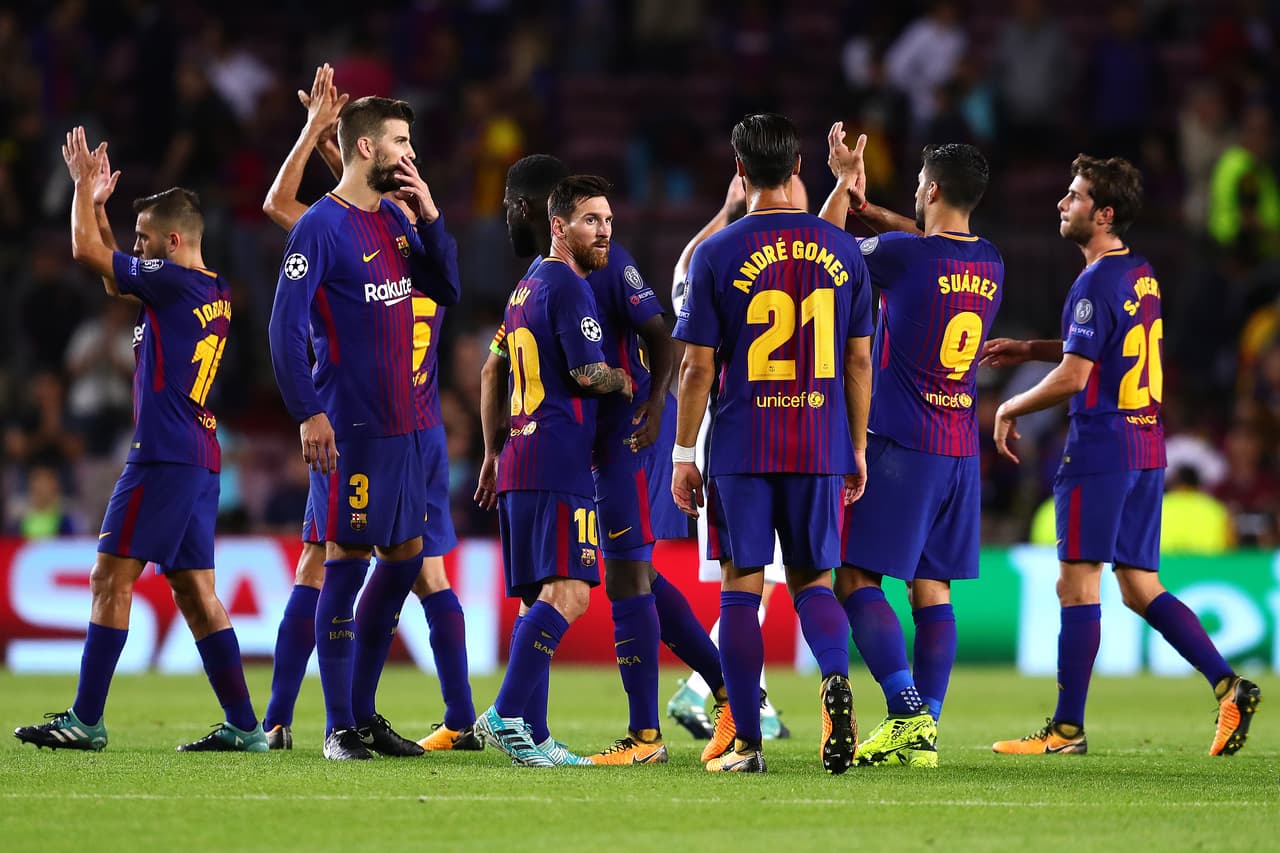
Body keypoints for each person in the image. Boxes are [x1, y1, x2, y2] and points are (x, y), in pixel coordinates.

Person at [983, 154, 1262, 756]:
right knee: (1138, 585)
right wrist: (1033, 346)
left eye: (1076, 195)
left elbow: (1076, 375)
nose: (1063, 202)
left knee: (1076, 586)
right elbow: (1103, 343)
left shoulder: (1092, 281)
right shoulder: (1139, 273)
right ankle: (1229, 687)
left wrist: (1009, 408)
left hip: (1101, 447)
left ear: (1104, 214)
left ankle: (1065, 730)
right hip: (1145, 445)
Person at [14, 128, 266, 753]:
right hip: (197, 453)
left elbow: (84, 254)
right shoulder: (210, 289)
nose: (138, 249)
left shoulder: (174, 285)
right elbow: (111, 278)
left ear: (173, 242)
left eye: (146, 240)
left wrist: (78, 187)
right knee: (194, 590)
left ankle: (86, 719)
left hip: (162, 453)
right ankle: (245, 725)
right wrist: (100, 205)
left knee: (108, 577)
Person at [259, 65, 479, 754]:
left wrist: (432, 208)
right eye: (400, 143)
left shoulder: (391, 218)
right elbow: (282, 328)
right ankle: (337, 726)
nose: (410, 154)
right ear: (364, 149)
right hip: (350, 429)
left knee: (407, 558)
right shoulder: (320, 229)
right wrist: (308, 412)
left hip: (410, 430)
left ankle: (363, 710)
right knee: (342, 563)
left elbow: (445, 285)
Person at [671, 113, 874, 774]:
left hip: (742, 444)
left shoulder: (717, 252)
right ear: (798, 170)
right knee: (817, 581)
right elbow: (858, 362)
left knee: (741, 585)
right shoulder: (842, 249)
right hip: (819, 442)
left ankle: (745, 741)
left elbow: (696, 368)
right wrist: (858, 445)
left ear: (738, 172)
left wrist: (682, 454)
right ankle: (835, 681)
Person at [820, 126, 1002, 768]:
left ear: (929, 189)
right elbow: (921, 242)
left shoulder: (904, 258)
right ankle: (924, 733)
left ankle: (905, 711)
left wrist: (844, 184)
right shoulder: (989, 260)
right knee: (933, 590)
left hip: (903, 444)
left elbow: (824, 246)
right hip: (960, 450)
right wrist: (876, 210)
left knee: (853, 576)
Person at [472, 174, 632, 767]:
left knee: (539, 596)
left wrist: (491, 451)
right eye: (592, 220)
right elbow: (589, 374)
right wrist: (626, 379)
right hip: (557, 457)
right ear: (559, 226)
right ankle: (508, 713)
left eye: (609, 221)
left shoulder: (526, 286)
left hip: (520, 454)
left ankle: (531, 735)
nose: (605, 231)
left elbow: (492, 373)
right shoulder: (568, 286)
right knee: (570, 594)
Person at [666, 174, 810, 746]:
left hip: (730, 433)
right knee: (760, 578)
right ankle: (706, 690)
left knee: (756, 576)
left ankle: (757, 701)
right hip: (764, 433)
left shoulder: (717, 263)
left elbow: (682, 275)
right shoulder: (798, 264)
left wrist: (724, 211)